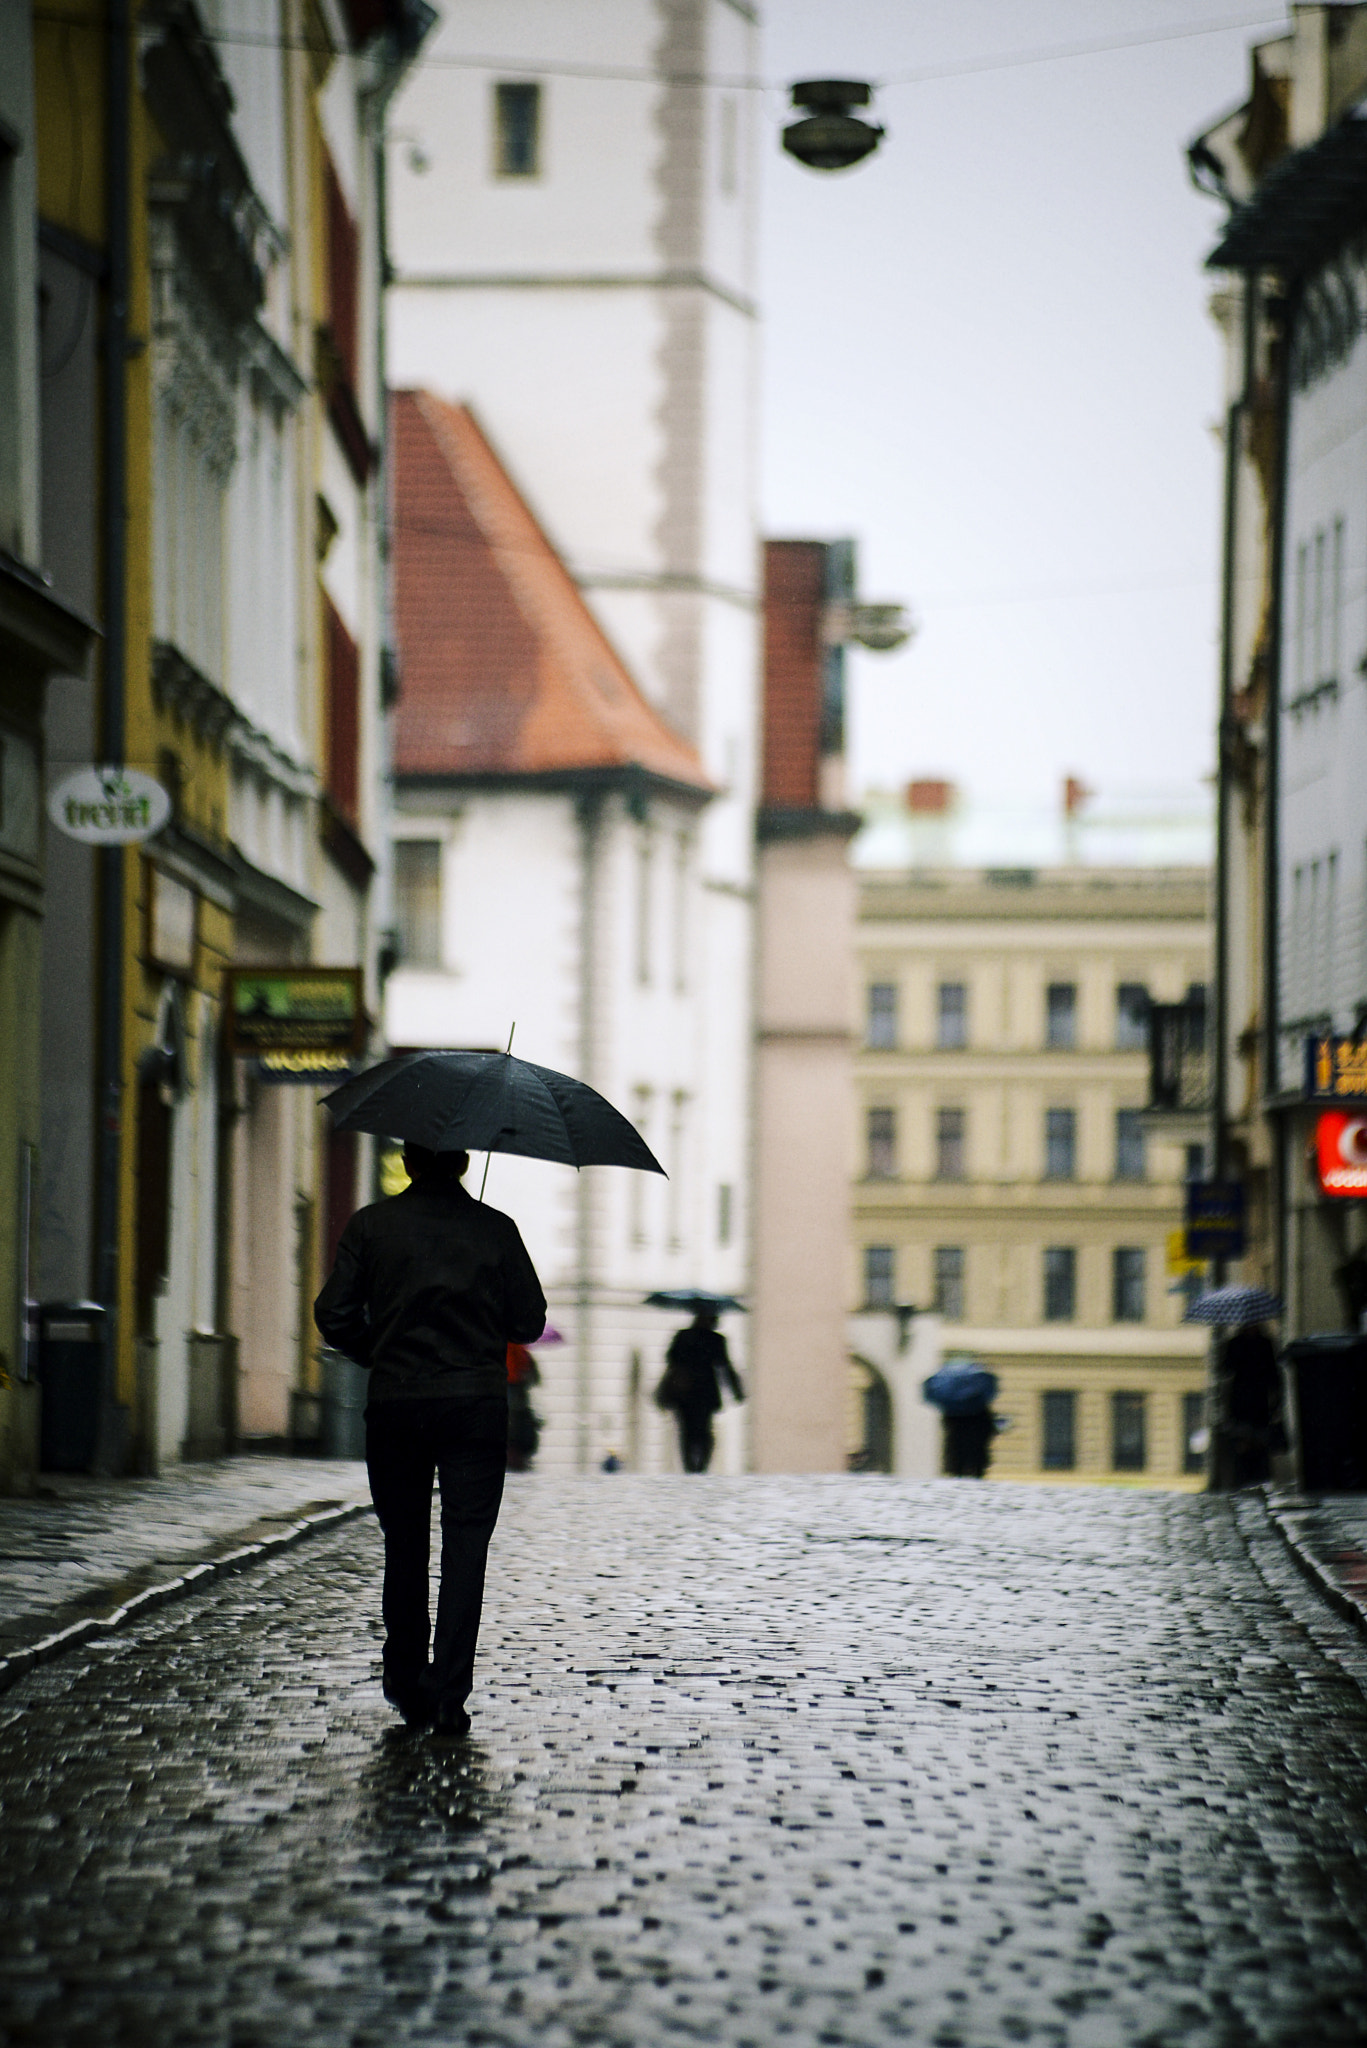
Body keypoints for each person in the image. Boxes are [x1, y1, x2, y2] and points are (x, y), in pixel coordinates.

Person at [314, 1143, 545, 1737]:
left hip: (397, 1404)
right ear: (463, 1164)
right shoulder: (495, 1229)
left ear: (410, 1164)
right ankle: (448, 1692)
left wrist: (379, 1350)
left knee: (405, 1542)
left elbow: (334, 1312)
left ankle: (405, 1679)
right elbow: (529, 1321)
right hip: (474, 1406)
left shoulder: (371, 1226)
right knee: (467, 1546)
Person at [657, 1310, 743, 1472]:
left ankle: (690, 1466)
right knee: (703, 1431)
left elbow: (671, 1358)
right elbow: (725, 1366)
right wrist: (736, 1390)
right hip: (704, 1392)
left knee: (687, 1430)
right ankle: (700, 1466)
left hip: (685, 1392)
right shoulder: (716, 1340)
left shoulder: (683, 1336)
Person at [1219, 1320, 1284, 1488]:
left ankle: (1259, 1478)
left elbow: (1273, 1373)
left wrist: (1276, 1400)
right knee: (1242, 1440)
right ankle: (1243, 1478)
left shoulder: (1265, 1343)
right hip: (1240, 1401)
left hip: (1260, 1400)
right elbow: (1226, 1368)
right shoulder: (1234, 1343)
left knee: (1260, 1441)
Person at [942, 1405, 995, 1479]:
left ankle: (958, 1472)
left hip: (957, 1417)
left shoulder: (953, 1411)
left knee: (958, 1452)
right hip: (975, 1419)